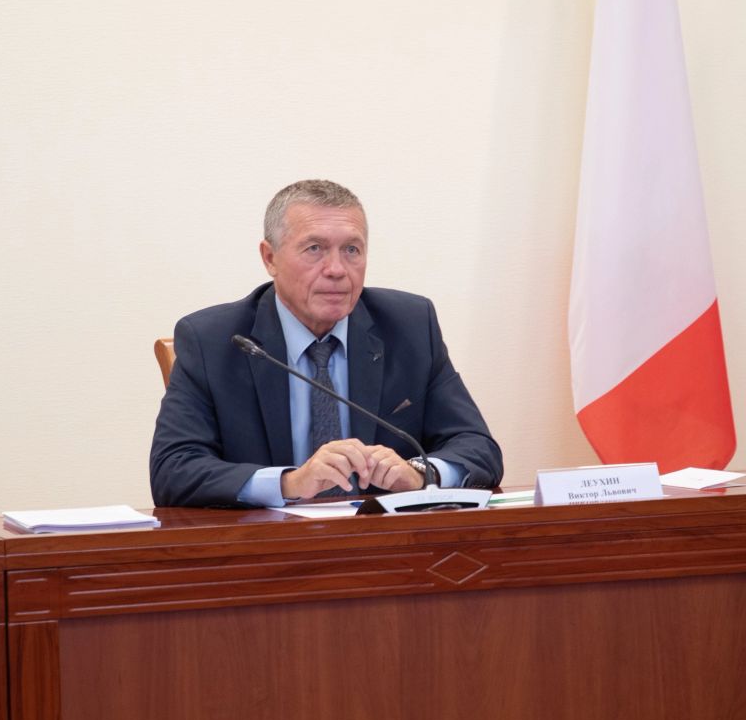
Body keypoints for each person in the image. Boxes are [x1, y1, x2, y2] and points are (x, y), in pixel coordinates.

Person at [150, 180, 503, 507]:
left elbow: (479, 449)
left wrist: (419, 473)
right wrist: (289, 482)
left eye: (351, 249)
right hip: (268, 545)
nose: (336, 269)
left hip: (384, 543)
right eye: (315, 249)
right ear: (270, 258)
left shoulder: (409, 326)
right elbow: (173, 470)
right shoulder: (213, 340)